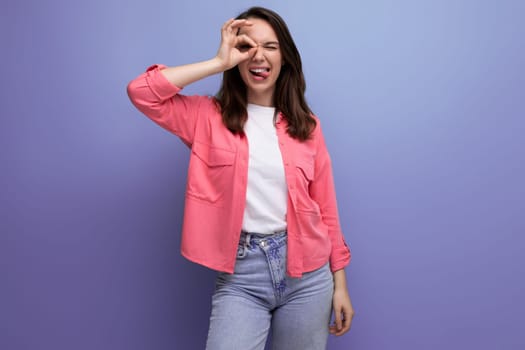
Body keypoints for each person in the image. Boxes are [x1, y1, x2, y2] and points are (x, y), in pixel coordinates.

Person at [127, 6, 354, 350]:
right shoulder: (206, 117)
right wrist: (217, 62)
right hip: (242, 275)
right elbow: (142, 91)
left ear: (286, 58)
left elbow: (326, 209)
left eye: (270, 47)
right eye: (247, 46)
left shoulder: (308, 126)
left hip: (308, 274)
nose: (258, 56)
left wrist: (340, 284)